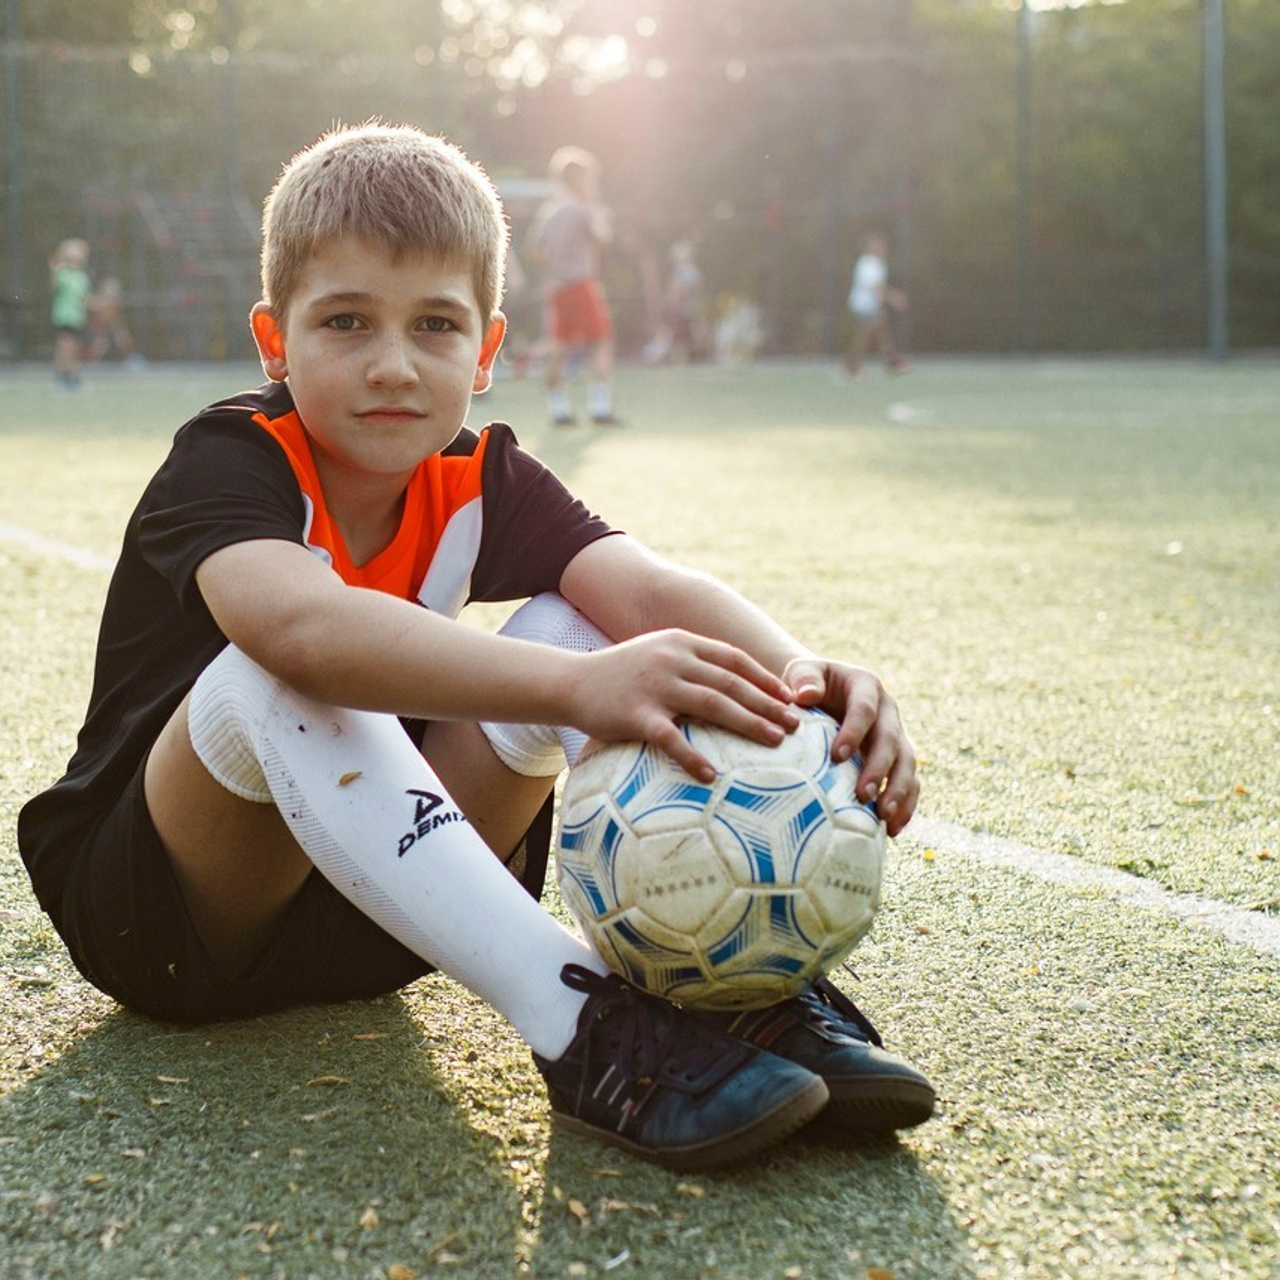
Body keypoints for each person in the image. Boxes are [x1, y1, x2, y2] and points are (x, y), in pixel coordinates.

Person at [18, 123, 933, 1172]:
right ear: (275, 341)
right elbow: (300, 630)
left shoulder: (479, 473)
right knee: (276, 673)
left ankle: (733, 988)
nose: (392, 363)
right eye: (346, 321)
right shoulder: (226, 458)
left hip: (381, 915)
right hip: (170, 924)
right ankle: (583, 1022)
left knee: (597, 618)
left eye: (435, 325)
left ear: (488, 350)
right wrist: (582, 687)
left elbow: (644, 587)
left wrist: (809, 678)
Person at [527, 146, 621, 426]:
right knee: (602, 343)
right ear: (580, 178)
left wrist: (556, 266)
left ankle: (559, 409)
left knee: (557, 345)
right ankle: (600, 407)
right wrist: (595, 207)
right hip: (581, 284)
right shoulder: (583, 209)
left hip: (557, 287)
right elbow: (604, 238)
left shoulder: (550, 211)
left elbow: (534, 248)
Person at [846, 232, 909, 376]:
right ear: (870, 247)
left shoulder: (878, 263)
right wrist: (893, 297)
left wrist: (881, 305)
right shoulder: (867, 263)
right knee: (865, 333)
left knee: (880, 332)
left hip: (871, 305)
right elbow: (875, 287)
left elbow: (878, 287)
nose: (881, 248)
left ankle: (891, 362)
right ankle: (852, 365)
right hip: (862, 304)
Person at [49, 238, 92, 390]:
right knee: (64, 346)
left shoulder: (82, 278)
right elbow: (54, 285)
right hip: (63, 316)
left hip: (76, 318)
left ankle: (70, 374)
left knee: (72, 347)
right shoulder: (62, 273)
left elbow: (84, 300)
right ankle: (64, 375)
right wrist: (57, 265)